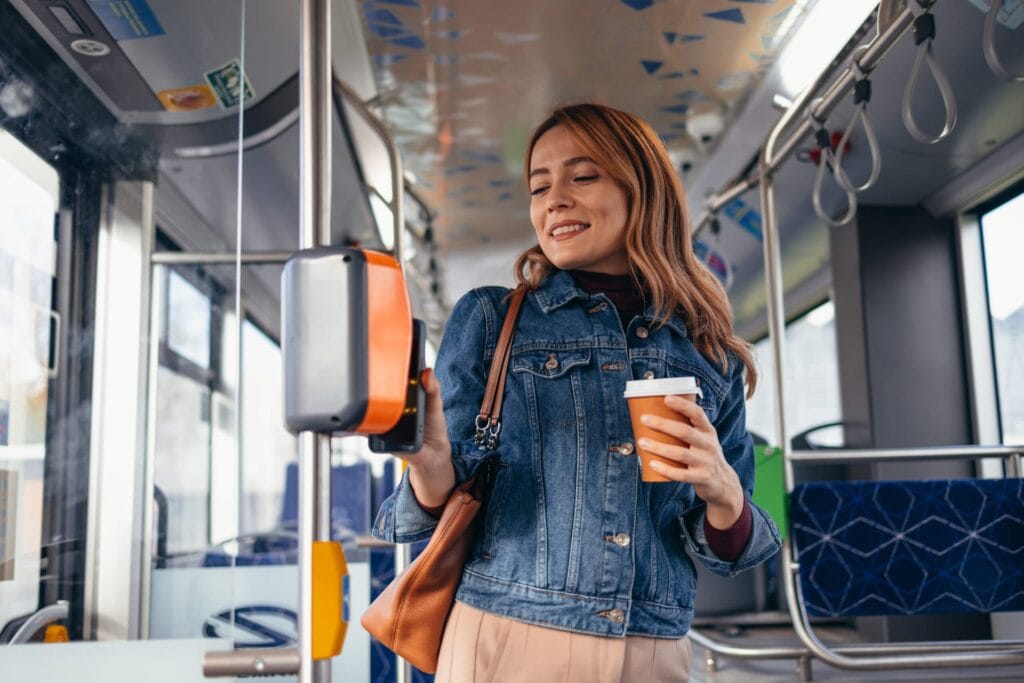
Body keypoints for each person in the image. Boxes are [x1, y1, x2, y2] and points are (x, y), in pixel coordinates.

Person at [372, 103, 782, 682]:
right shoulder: (492, 319)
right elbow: (430, 507)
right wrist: (429, 463)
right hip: (510, 634)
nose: (554, 201)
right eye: (539, 187)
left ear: (643, 190)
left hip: (653, 649)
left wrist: (723, 493)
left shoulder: (709, 349)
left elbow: (733, 551)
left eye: (582, 176)